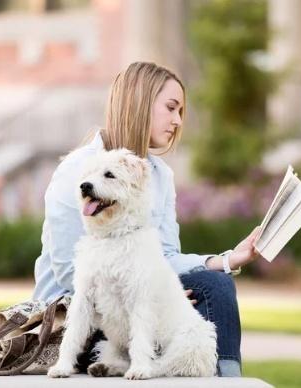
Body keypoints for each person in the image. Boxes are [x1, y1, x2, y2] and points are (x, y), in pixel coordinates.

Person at [32, 61, 261, 377]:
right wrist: (147, 296)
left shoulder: (159, 176)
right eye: (170, 108)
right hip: (76, 314)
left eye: (180, 111)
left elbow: (163, 257)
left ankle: (229, 381)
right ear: (140, 103)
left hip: (136, 302)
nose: (177, 121)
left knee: (216, 286)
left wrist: (226, 260)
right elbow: (66, 269)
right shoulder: (79, 169)